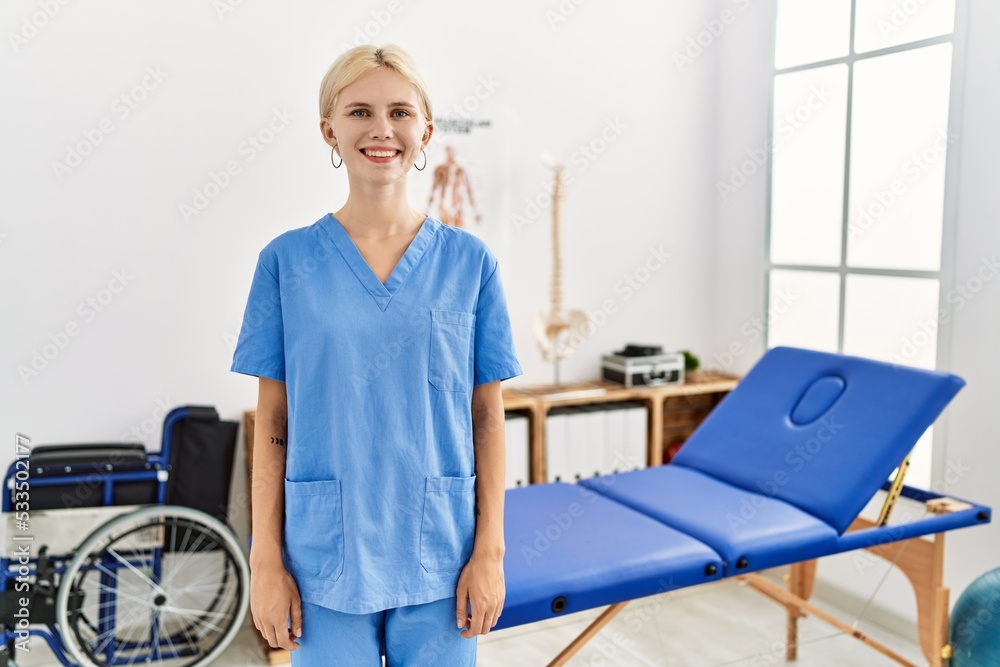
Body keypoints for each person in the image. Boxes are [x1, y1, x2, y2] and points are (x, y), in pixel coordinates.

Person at [230, 44, 523, 665]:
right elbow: (273, 422)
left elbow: (487, 417)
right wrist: (265, 559)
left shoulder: (470, 264)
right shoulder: (285, 263)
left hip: (441, 552)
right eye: (360, 111)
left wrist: (490, 552)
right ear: (329, 131)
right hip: (324, 557)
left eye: (400, 112)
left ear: (426, 132)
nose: (381, 129)